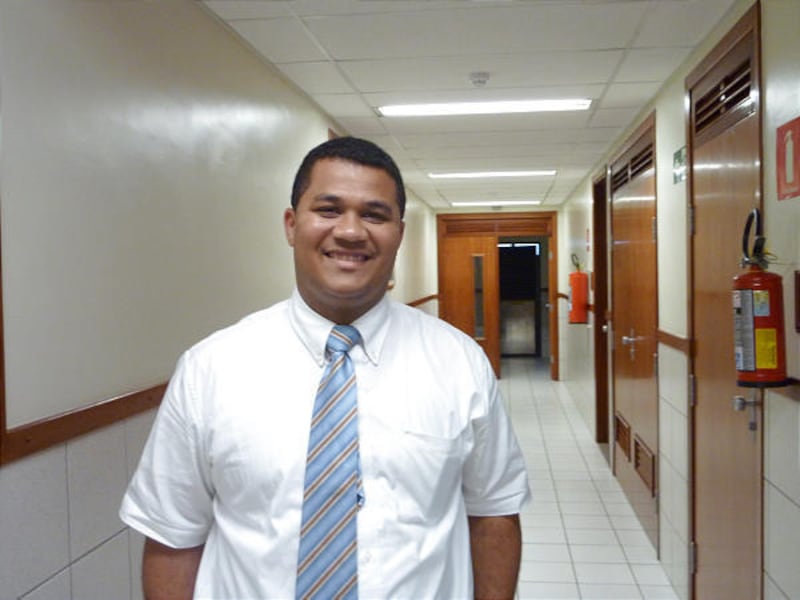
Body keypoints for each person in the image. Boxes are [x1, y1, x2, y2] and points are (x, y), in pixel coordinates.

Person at [120, 136, 530, 600]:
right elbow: (173, 535)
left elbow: (494, 513)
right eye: (329, 210)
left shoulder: (458, 363)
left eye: (374, 215)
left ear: (399, 232)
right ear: (292, 224)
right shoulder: (210, 369)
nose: (351, 231)